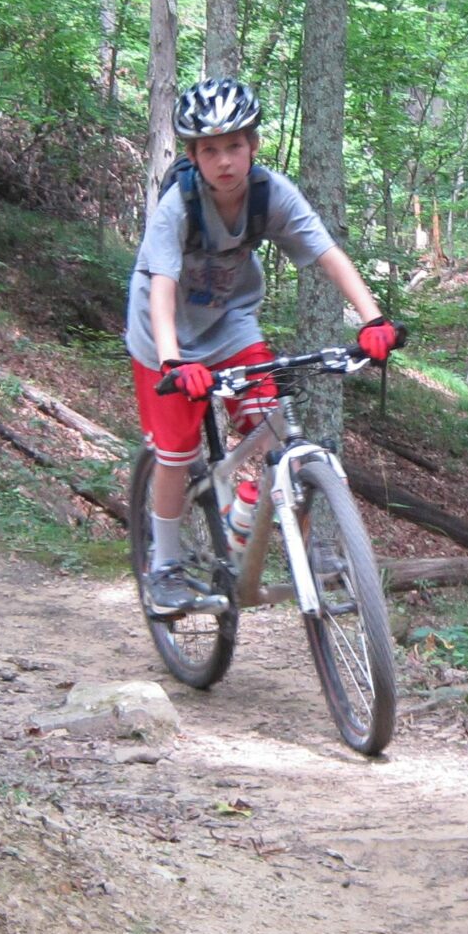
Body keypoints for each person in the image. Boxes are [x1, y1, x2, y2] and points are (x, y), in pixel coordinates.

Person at [127, 76, 403, 617]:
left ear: (253, 146)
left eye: (235, 145)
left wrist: (374, 320)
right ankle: (164, 567)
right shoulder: (177, 208)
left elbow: (326, 252)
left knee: (273, 424)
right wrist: (172, 360)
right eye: (210, 149)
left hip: (230, 322)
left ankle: (298, 539)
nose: (225, 160)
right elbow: (160, 285)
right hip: (163, 335)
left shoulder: (270, 194)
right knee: (177, 452)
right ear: (194, 156)